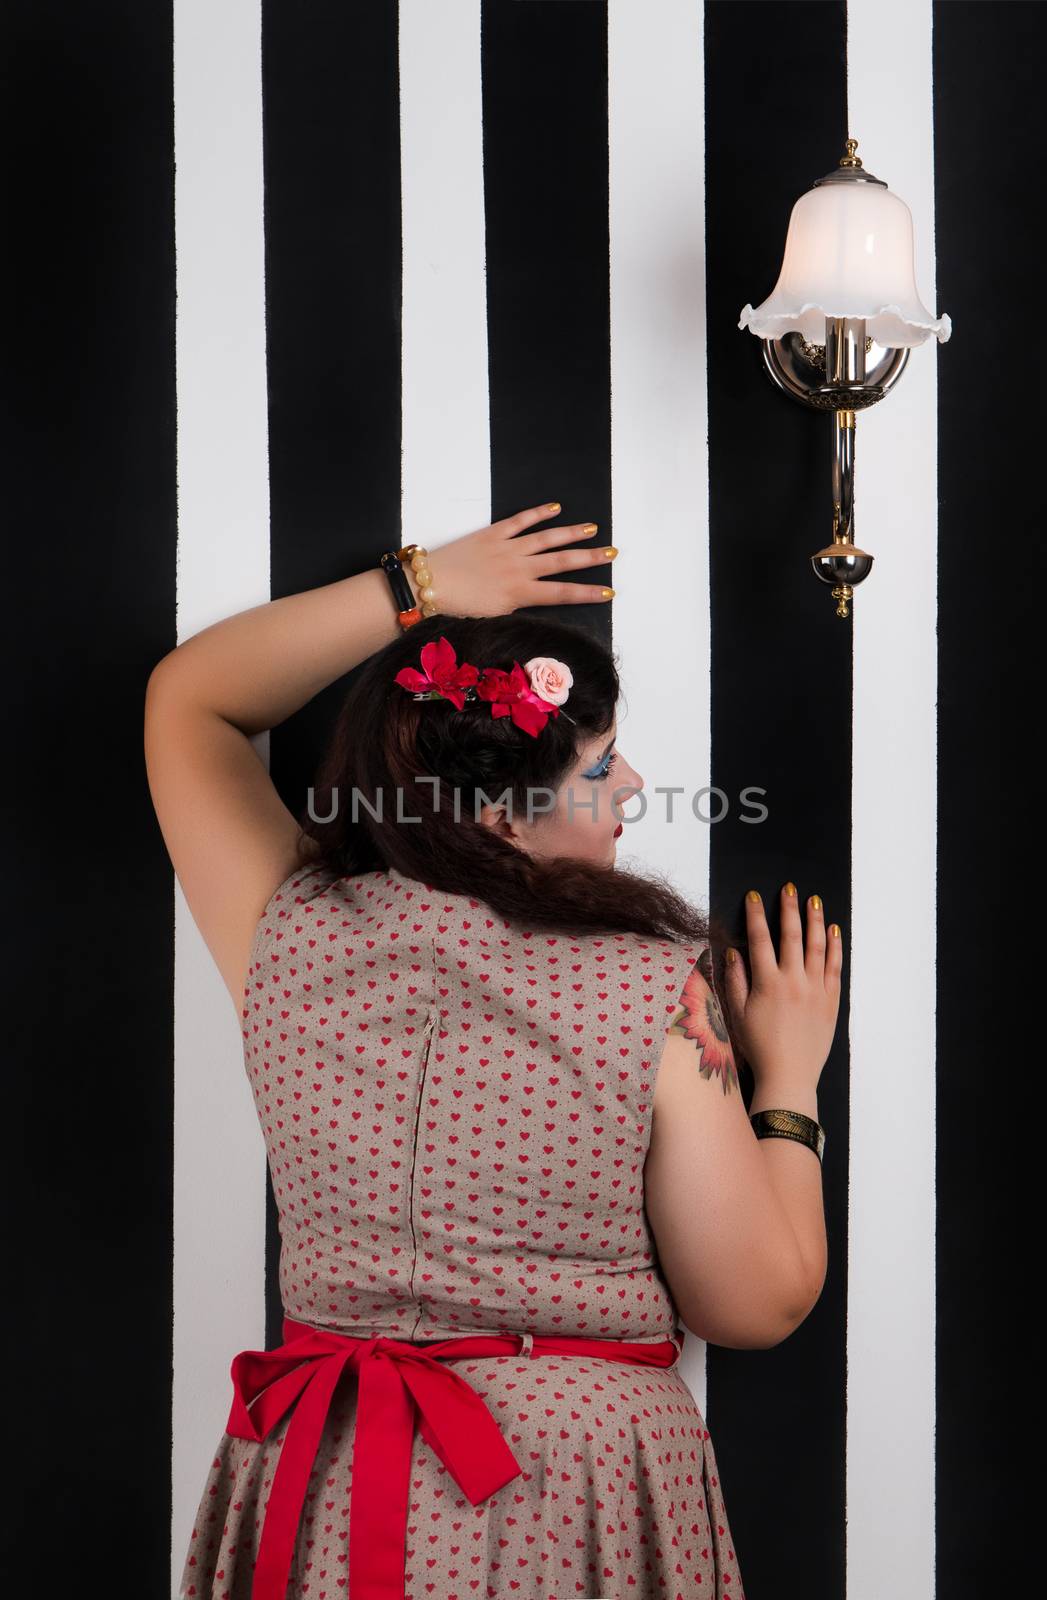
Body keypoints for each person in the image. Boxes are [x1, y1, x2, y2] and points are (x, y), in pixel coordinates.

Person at [146, 501, 841, 1600]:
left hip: (321, 1473)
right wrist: (790, 1076)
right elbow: (754, 1300)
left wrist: (417, 587)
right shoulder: (651, 988)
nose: (629, 789)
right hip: (570, 1492)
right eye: (598, 765)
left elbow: (190, 702)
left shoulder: (289, 927)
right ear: (500, 815)